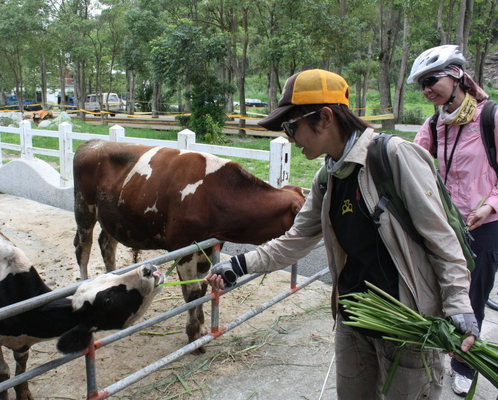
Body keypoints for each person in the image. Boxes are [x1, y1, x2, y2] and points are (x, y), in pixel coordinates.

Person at [205, 69, 478, 400]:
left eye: (292, 126)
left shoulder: (393, 157)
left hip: (408, 326)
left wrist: (458, 306)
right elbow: (296, 239)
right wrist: (239, 265)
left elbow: (442, 239)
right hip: (354, 322)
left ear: (324, 117)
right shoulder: (327, 178)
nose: (290, 137)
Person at [407, 44, 498, 396]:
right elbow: (412, 159)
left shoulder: (489, 118)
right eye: (421, 85)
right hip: (446, 226)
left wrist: (489, 206)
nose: (427, 89)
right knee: (435, 290)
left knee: (471, 299)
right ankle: (436, 351)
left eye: (431, 80)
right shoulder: (434, 124)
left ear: (457, 75)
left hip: (484, 227)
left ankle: (464, 365)